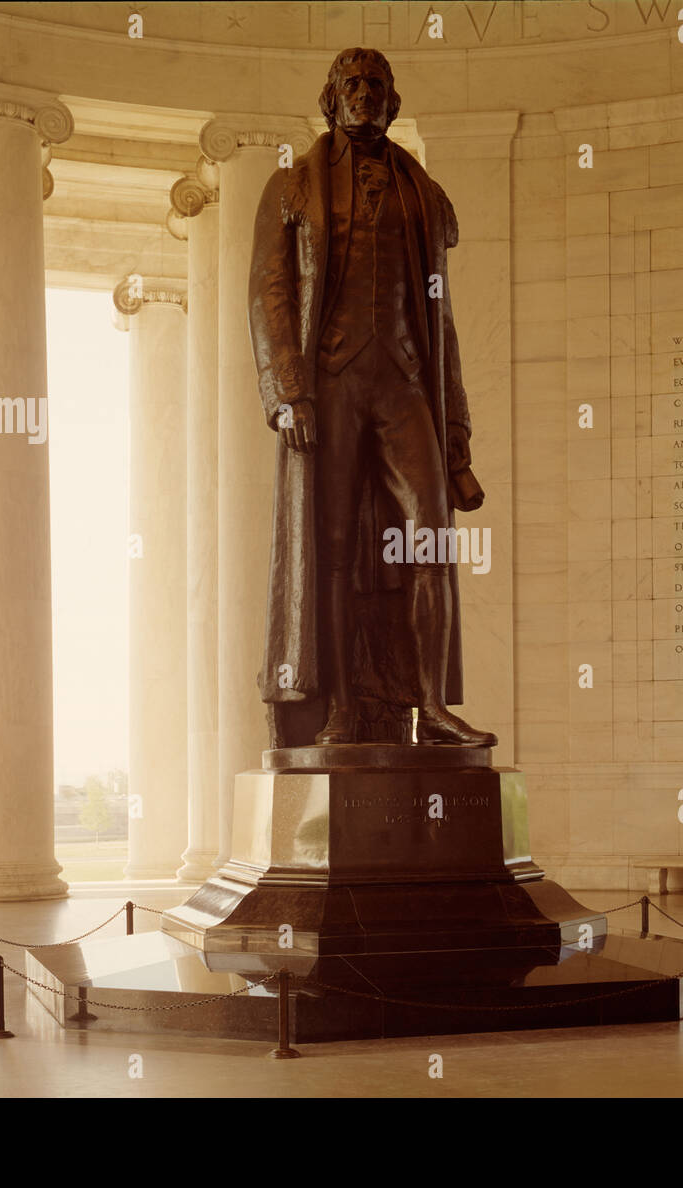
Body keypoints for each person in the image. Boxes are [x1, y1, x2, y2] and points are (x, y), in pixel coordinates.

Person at [248, 46, 496, 749]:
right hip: (328, 384)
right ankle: (342, 706)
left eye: (377, 86)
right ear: (331, 98)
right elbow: (269, 293)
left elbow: (439, 313)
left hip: (404, 379)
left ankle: (429, 707)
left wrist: (454, 423)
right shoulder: (293, 186)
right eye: (352, 84)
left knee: (430, 537)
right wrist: (288, 392)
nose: (365, 95)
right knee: (328, 545)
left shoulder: (423, 193)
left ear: (393, 100)